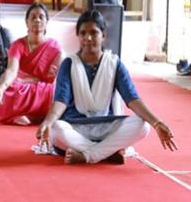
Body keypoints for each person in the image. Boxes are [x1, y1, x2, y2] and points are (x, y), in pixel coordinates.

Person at [36, 9, 177, 165]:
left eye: (94, 33)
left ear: (103, 36)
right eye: (83, 33)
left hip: (106, 126)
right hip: (75, 126)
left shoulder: (114, 63)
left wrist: (157, 123)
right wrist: (47, 123)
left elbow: (132, 99)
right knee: (56, 128)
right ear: (78, 36)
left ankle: (88, 154)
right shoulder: (69, 64)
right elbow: (60, 101)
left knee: (143, 126)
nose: (88, 38)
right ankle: (107, 153)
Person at [0, 3, 62, 125]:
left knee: (56, 92)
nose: (37, 20)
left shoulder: (54, 46)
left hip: (44, 89)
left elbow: (58, 76)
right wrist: (2, 87)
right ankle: (37, 116)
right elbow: (11, 71)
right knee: (8, 89)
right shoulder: (18, 45)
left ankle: (29, 115)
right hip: (22, 86)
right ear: (27, 22)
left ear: (47, 22)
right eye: (33, 17)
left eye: (41, 17)